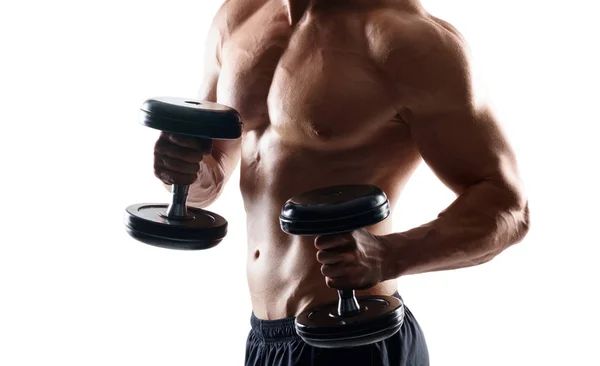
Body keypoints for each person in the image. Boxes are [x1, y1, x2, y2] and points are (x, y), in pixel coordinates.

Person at [152, 0, 530, 364]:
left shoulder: (406, 40)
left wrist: (389, 256)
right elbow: (209, 176)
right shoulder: (236, 17)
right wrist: (185, 171)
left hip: (356, 342)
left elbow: (507, 206)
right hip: (263, 340)